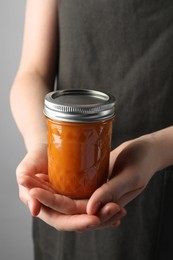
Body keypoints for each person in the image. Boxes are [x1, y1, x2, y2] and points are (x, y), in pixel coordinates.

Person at [10, 0, 173, 259]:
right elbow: (32, 72)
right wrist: (45, 144)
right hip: (61, 197)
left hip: (162, 198)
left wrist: (158, 149)